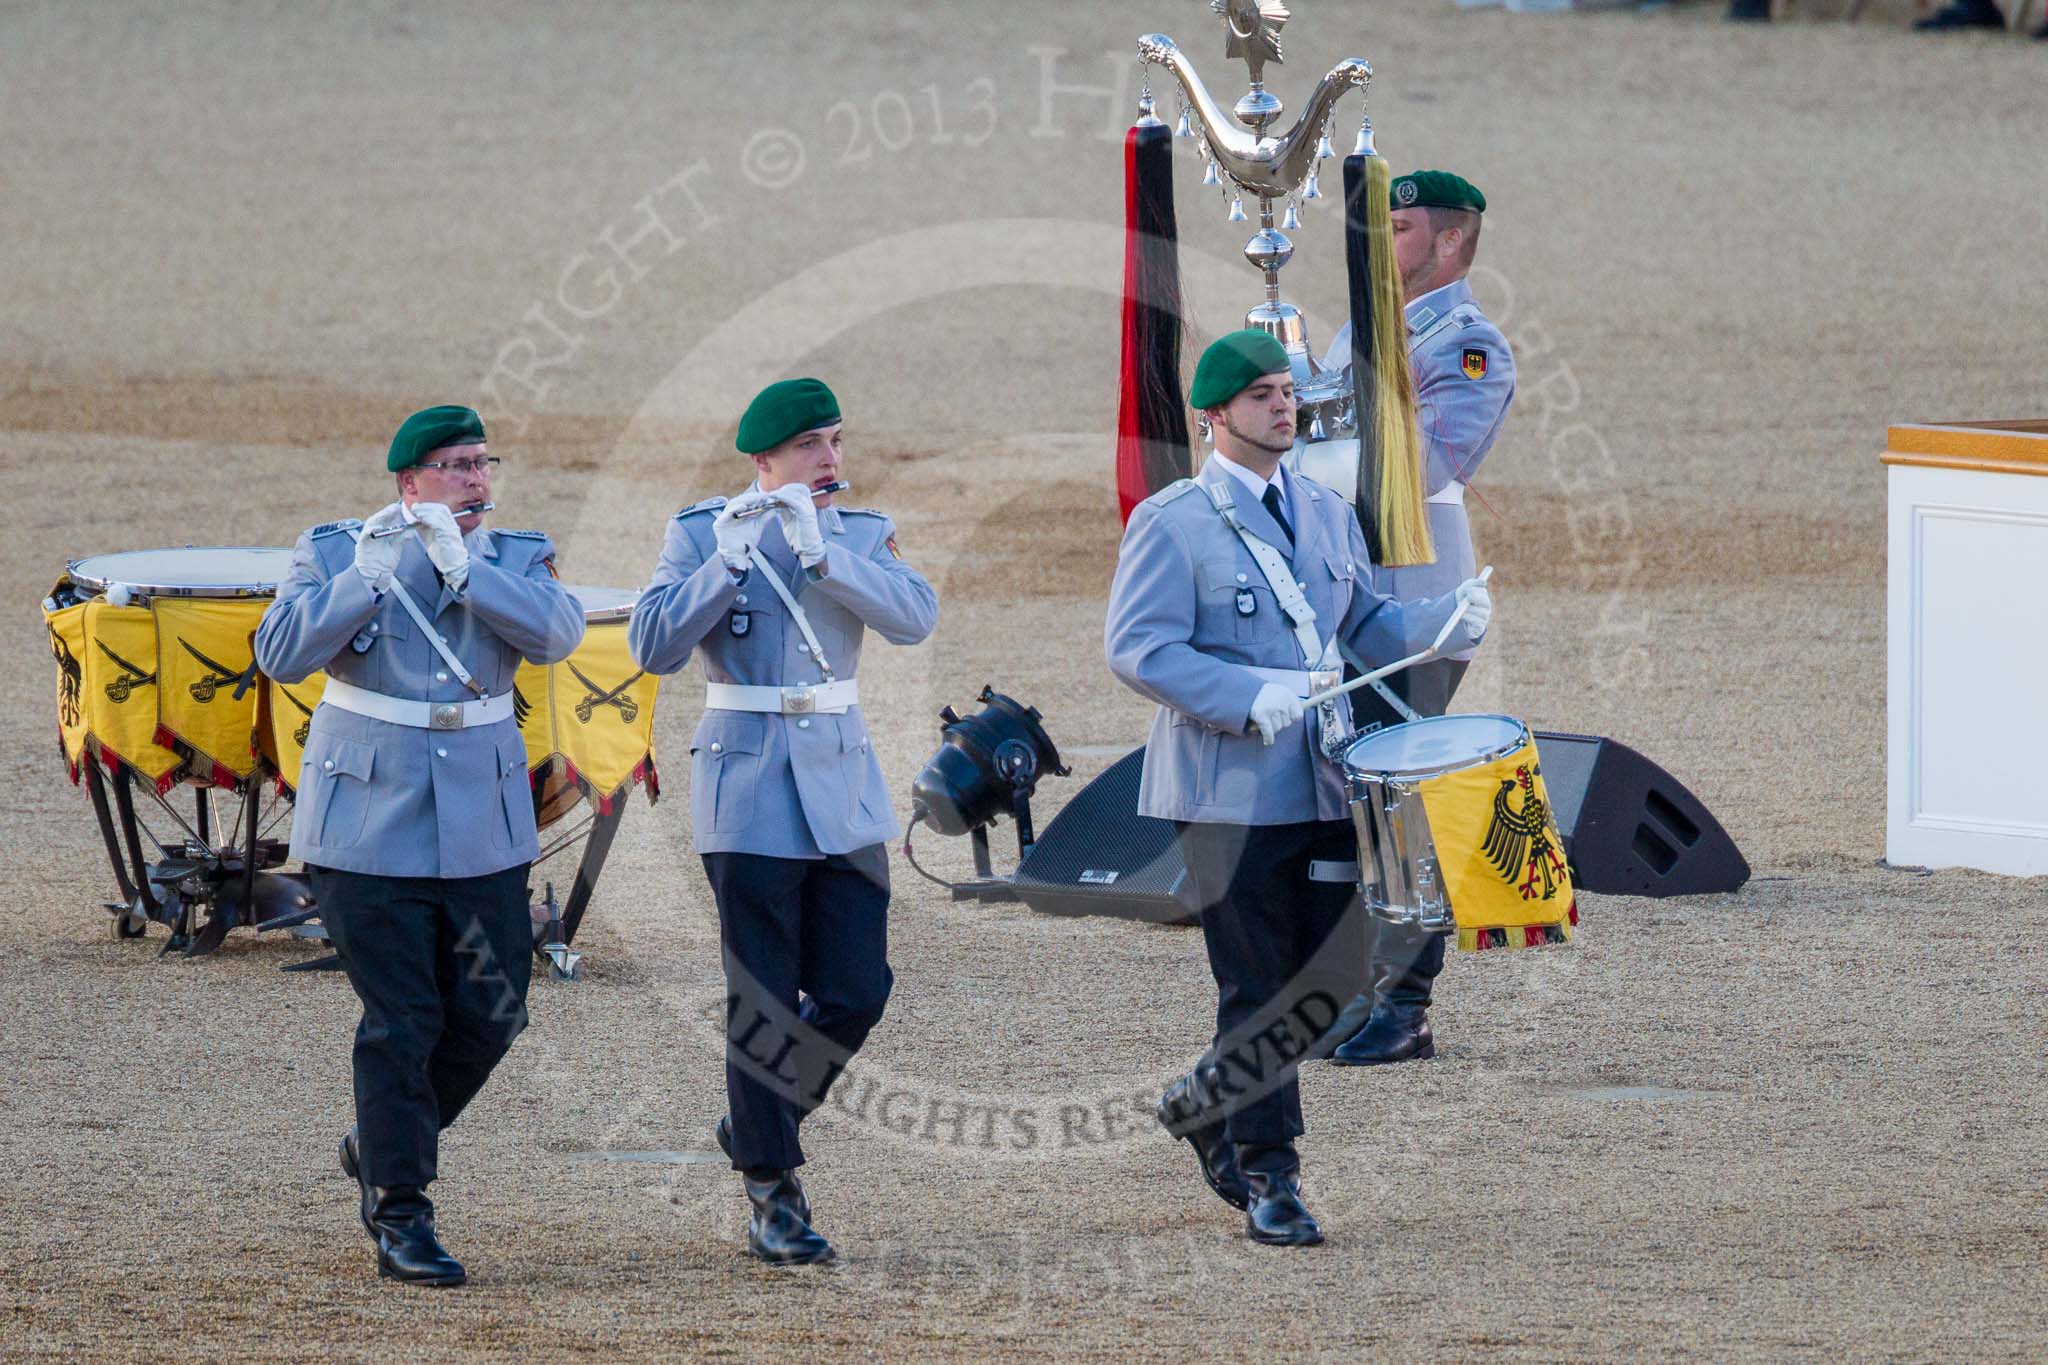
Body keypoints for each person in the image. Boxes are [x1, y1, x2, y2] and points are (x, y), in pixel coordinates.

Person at [1108, 330, 1491, 1246]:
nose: (1286, 408)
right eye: (1262, 396)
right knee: (1259, 987)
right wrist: (1244, 695)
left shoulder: (1322, 510)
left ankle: (1208, 1096)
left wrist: (1446, 616)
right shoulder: (1172, 522)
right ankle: (1270, 1173)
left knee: (1340, 974)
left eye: (1288, 392)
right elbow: (1139, 648)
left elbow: (1360, 619)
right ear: (1215, 418)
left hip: (1319, 775)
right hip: (1225, 790)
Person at [254, 404, 585, 1287]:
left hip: (481, 821)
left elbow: (557, 635)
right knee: (404, 1018)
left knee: (494, 1007)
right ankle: (403, 1207)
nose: (477, 480)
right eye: (455, 466)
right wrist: (368, 576)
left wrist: (468, 569)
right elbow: (280, 654)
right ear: (409, 484)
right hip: (367, 821)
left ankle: (380, 1140)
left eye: (483, 463)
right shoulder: (333, 550)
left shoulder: (516, 552)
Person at [628, 378, 937, 1266]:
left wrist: (829, 556)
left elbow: (916, 618)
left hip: (841, 782)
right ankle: (773, 1189)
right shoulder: (698, 532)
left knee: (856, 988)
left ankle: (759, 1121)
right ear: (763, 460)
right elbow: (654, 646)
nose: (831, 460)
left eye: (836, 441)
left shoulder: (863, 532)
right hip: (749, 781)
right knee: (761, 996)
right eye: (810, 447)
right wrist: (723, 565)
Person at [1317, 169, 1517, 1069]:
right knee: (1342, 808)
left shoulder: (1468, 346)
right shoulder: (1363, 329)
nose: (1379, 245)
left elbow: (1426, 465)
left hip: (1415, 609)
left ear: (1449, 243)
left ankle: (1406, 1004)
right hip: (1344, 600)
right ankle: (1354, 989)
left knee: (1400, 809)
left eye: (1397, 228)